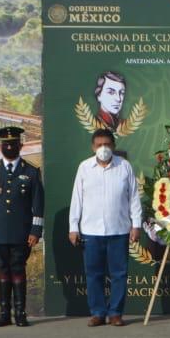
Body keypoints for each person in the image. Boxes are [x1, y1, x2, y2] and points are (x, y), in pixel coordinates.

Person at [68, 129, 142, 326]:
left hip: (119, 230)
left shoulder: (124, 166)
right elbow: (77, 199)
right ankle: (98, 313)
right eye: (99, 145)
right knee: (94, 274)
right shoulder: (84, 168)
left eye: (107, 144)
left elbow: (133, 197)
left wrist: (136, 225)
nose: (103, 148)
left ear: (114, 146)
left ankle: (116, 313)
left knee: (119, 274)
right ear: (93, 147)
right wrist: (73, 227)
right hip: (91, 232)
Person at [0, 126, 44, 327]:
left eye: (13, 144)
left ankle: (20, 313)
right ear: (0, 146)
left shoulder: (31, 171)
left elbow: (38, 204)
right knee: (3, 270)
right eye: (5, 144)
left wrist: (35, 231)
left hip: (21, 232)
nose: (9, 147)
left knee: (18, 270)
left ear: (20, 145)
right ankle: (4, 313)